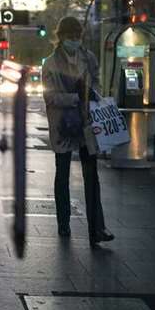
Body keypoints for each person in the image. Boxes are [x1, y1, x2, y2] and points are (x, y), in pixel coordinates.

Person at [42, 16, 114, 245]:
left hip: (87, 124)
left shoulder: (89, 58)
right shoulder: (50, 63)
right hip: (63, 124)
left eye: (77, 36)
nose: (74, 40)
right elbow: (49, 96)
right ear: (61, 37)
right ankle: (64, 223)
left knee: (91, 176)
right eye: (70, 36)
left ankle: (97, 228)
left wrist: (95, 96)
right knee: (62, 174)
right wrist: (76, 98)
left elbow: (97, 84)